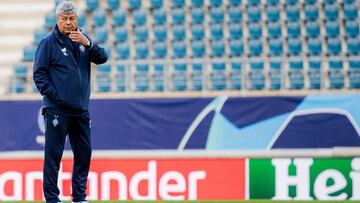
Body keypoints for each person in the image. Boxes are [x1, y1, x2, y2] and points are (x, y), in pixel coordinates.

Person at [33, 1, 108, 202]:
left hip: (81, 110)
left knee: (84, 154)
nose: (68, 22)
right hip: (57, 110)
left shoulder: (83, 40)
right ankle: (52, 198)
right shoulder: (48, 43)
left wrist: (88, 43)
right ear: (57, 20)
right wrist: (56, 98)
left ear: (77, 19)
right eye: (64, 19)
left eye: (72, 18)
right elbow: (39, 75)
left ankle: (79, 196)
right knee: (53, 156)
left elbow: (103, 57)